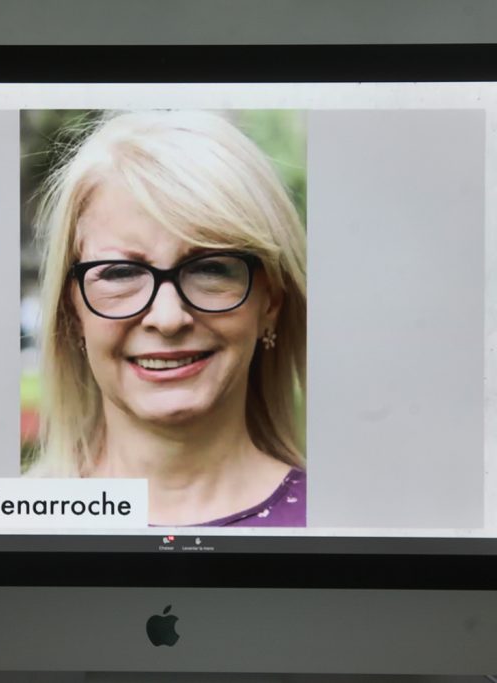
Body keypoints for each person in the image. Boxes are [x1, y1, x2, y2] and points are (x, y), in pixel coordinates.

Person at [28, 110, 307, 527]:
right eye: (121, 273)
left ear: (270, 303)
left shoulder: (349, 527)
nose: (169, 318)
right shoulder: (6, 531)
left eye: (210, 268)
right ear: (72, 311)